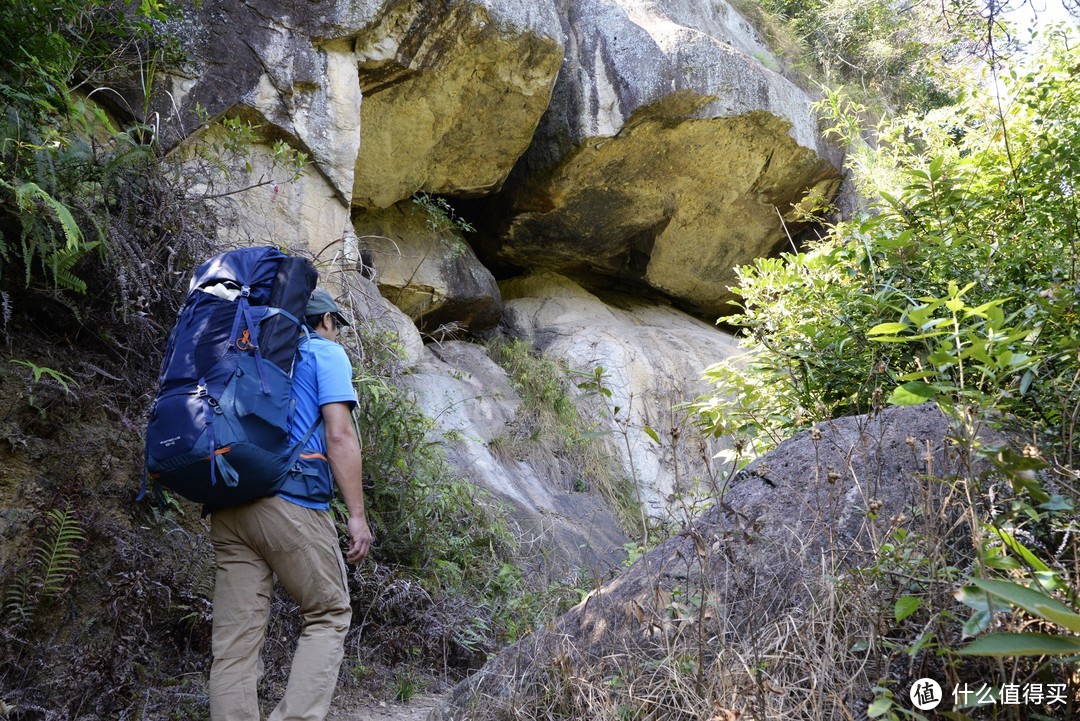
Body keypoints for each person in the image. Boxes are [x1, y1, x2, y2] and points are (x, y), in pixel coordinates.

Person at [208, 287, 373, 721]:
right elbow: (339, 436)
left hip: (228, 501)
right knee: (329, 612)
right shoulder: (324, 353)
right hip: (290, 500)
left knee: (235, 643)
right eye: (335, 326)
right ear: (325, 322)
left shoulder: (244, 346)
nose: (335, 334)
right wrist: (357, 516)